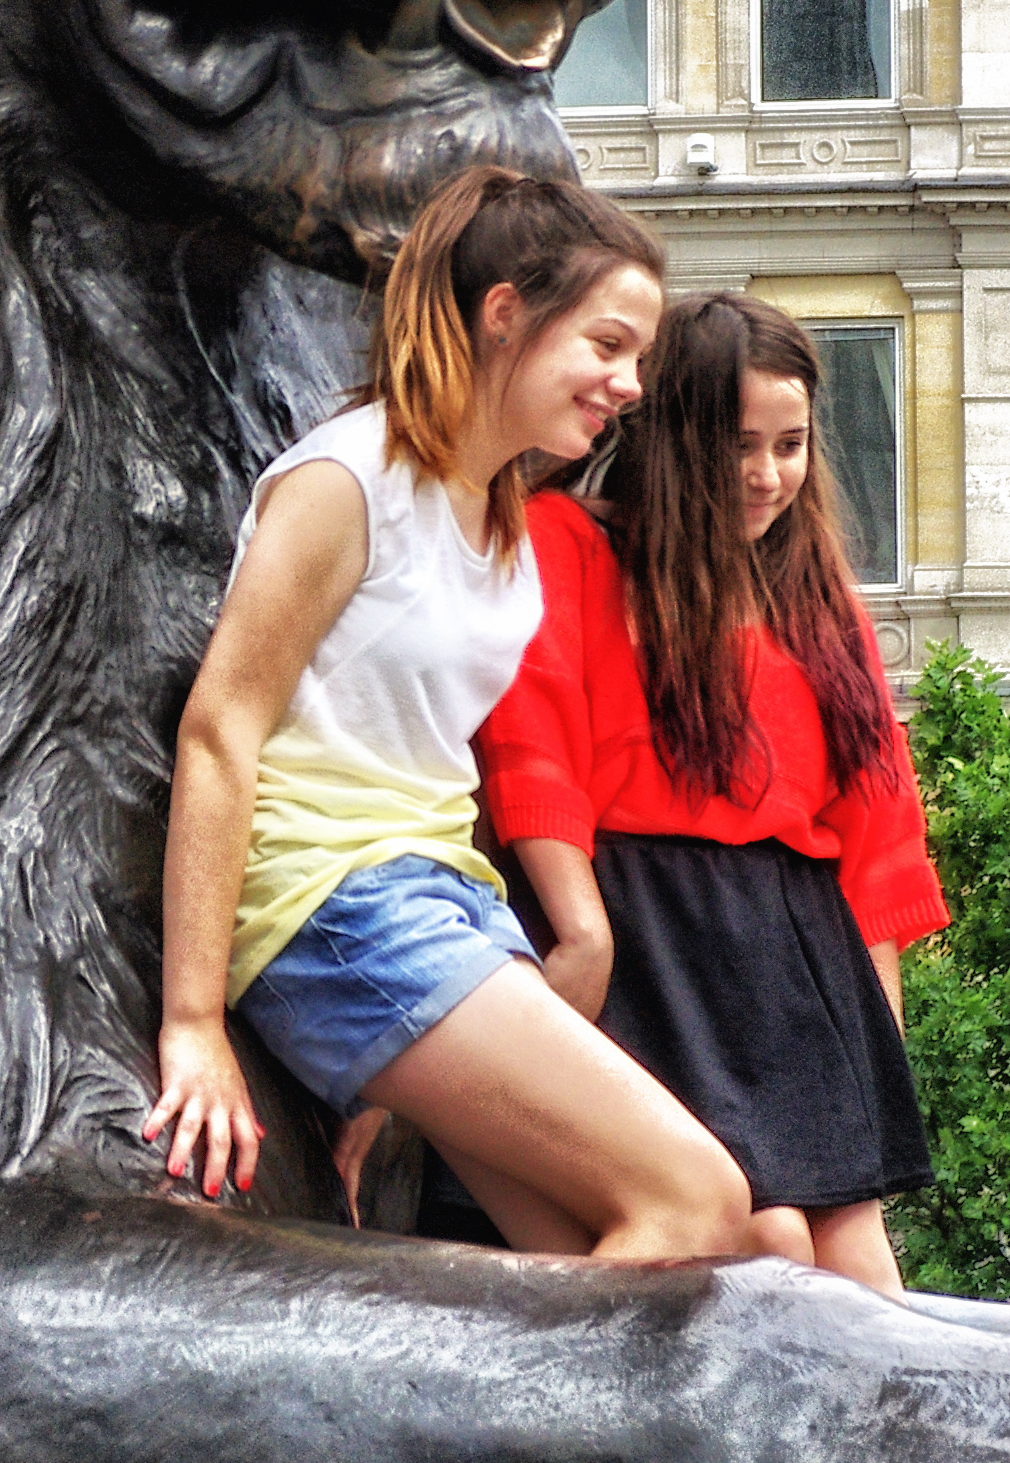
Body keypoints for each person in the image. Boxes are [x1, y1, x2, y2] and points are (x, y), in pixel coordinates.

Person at [141, 167, 760, 1264]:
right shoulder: (346, 482)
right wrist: (193, 1026)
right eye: (606, 346)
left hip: (448, 909)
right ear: (504, 314)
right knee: (698, 1199)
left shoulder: (501, 514)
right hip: (338, 905)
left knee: (589, 1254)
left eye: (638, 360)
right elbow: (218, 732)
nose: (628, 384)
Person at [473, 290, 944, 1291]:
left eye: (790, 444)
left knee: (855, 1267)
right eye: (737, 445)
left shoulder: (817, 597)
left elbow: (876, 843)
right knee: (759, 1243)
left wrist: (871, 1062)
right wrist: (581, 934)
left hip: (790, 954)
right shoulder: (566, 543)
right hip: (639, 941)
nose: (765, 476)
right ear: (672, 434)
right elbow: (531, 749)